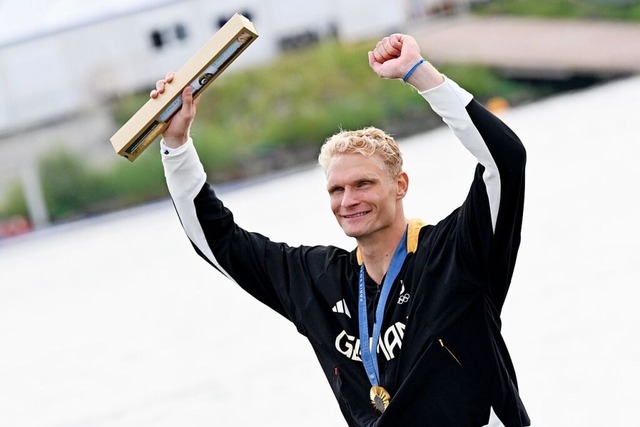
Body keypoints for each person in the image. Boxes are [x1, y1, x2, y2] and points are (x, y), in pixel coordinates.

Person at [151, 33, 530, 426]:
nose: (348, 200)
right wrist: (177, 145)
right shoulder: (319, 281)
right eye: (337, 189)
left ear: (399, 185)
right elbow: (218, 243)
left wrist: (419, 74)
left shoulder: (457, 252)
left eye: (363, 184)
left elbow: (505, 160)